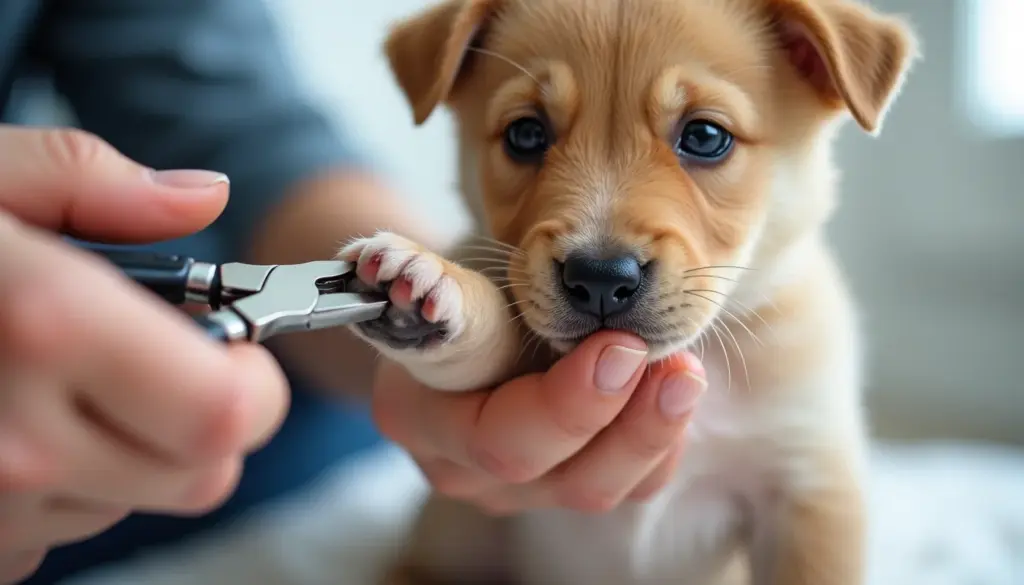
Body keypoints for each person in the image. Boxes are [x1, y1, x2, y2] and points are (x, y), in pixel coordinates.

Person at [0, 2, 707, 584]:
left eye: (703, 138)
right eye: (527, 134)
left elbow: (228, 115)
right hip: (69, 432)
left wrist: (432, 312)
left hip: (127, 410)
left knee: (329, 424)